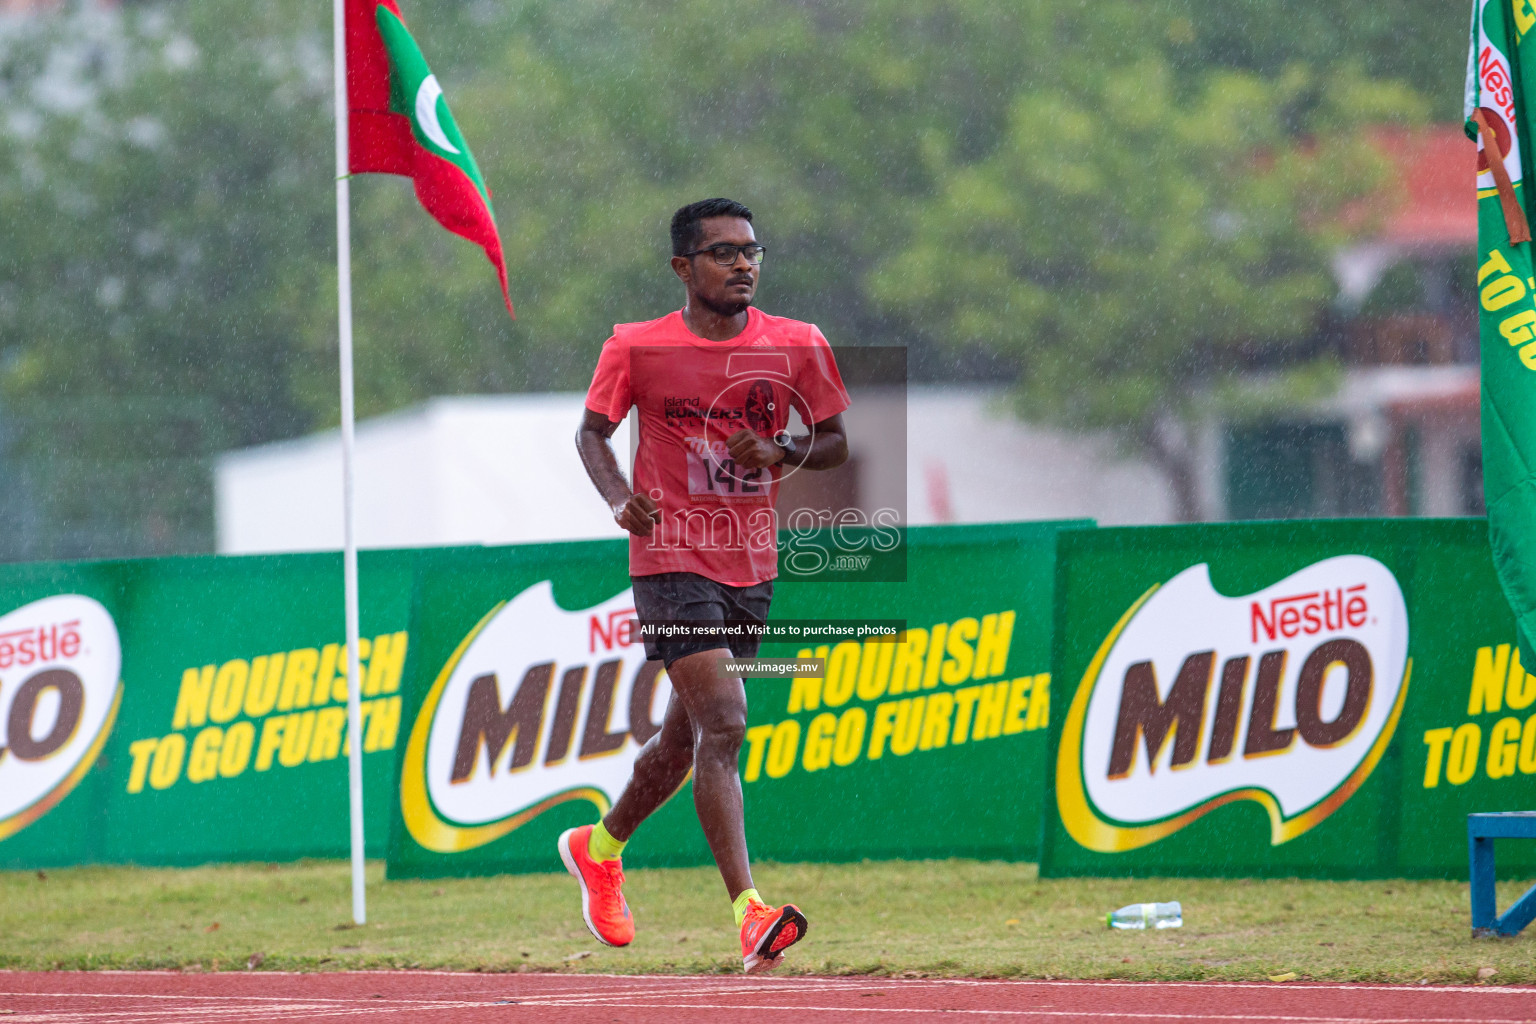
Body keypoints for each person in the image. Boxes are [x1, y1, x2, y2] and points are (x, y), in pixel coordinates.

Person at [564, 197, 850, 973]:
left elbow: (833, 443)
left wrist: (779, 446)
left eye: (752, 251)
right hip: (670, 557)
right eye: (723, 253)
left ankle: (600, 848)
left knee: (685, 739)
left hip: (751, 562)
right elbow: (591, 432)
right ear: (682, 268)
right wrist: (620, 498)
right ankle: (750, 913)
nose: (744, 264)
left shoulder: (799, 344)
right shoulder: (636, 346)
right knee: (725, 722)